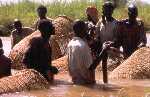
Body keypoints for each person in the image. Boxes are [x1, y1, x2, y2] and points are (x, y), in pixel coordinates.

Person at [67, 20, 95, 84]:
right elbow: (90, 67)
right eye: (86, 29)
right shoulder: (83, 45)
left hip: (74, 80)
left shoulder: (70, 44)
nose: (87, 32)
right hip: (85, 83)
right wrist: (103, 52)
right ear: (83, 30)